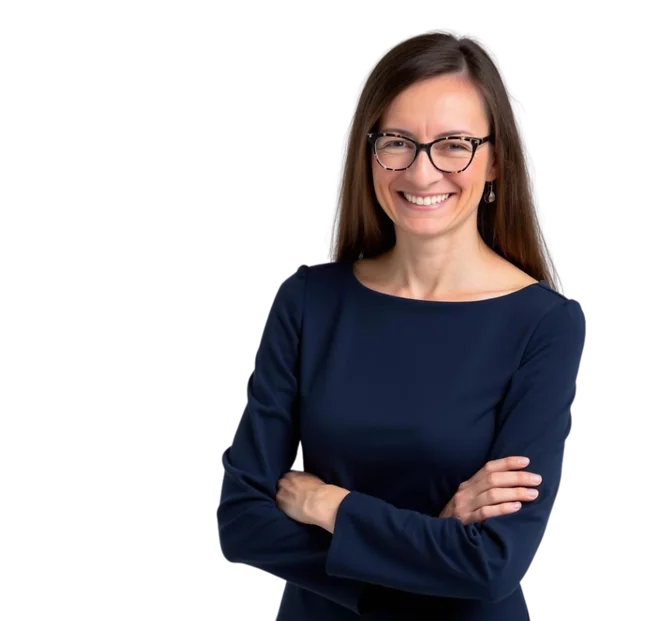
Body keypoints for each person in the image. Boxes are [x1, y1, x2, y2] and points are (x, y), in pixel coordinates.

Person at [217, 30, 586, 620]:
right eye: (398, 142)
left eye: (453, 145)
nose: (421, 172)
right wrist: (428, 543)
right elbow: (241, 523)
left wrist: (332, 505)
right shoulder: (310, 301)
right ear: (369, 153)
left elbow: (491, 564)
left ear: (495, 162)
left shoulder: (543, 324)